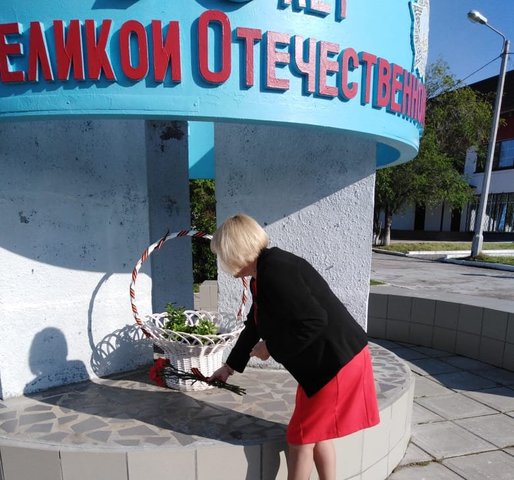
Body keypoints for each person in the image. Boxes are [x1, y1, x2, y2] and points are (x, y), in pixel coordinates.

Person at [209, 214, 380, 480]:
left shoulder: (276, 270)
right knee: (316, 434)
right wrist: (229, 367)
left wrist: (270, 348)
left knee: (300, 437)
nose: (223, 262)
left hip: (336, 363)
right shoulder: (263, 274)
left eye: (223, 254)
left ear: (236, 251)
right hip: (327, 364)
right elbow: (254, 324)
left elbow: (314, 321)